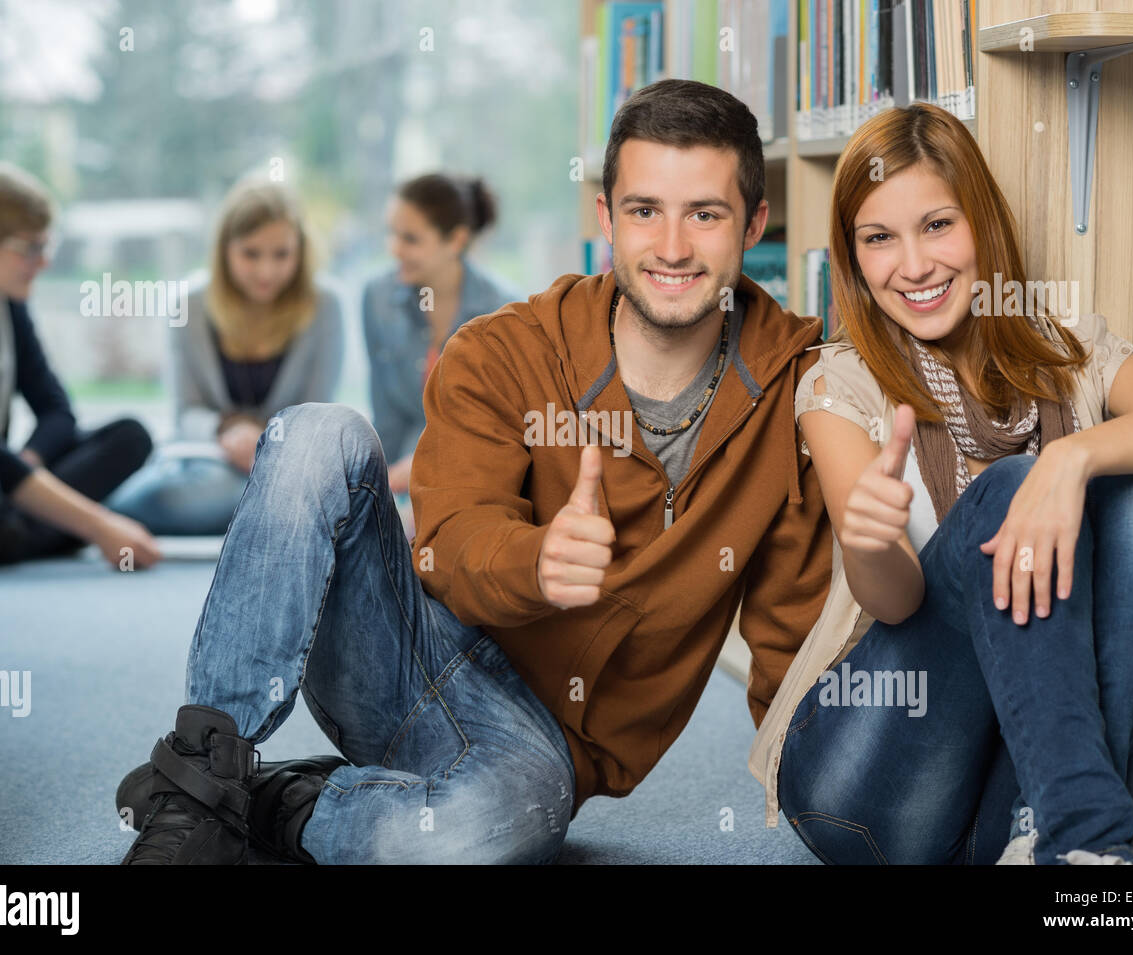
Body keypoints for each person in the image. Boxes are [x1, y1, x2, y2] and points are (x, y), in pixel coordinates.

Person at [114, 78, 835, 864]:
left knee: (477, 832)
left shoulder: (796, 392)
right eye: (643, 210)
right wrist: (539, 560)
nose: (671, 246)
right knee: (315, 431)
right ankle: (198, 777)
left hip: (539, 749)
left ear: (755, 223)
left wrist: (836, 803)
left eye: (705, 213)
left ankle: (276, 803)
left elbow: (792, 635)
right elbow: (449, 544)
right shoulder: (503, 348)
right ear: (606, 219)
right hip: (410, 649)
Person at [748, 103, 1133, 865]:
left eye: (938, 225)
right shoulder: (840, 381)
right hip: (875, 773)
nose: (913, 264)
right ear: (854, 258)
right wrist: (871, 541)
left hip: (1014, 789)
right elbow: (894, 600)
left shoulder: (1072, 352)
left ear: (985, 223)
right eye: (879, 238)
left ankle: (1057, 840)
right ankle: (1092, 844)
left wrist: (1072, 460)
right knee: (1007, 491)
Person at [105, 178, 343, 535]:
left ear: (301, 251)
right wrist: (229, 430)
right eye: (251, 254)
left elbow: (316, 416)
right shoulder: (190, 304)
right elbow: (186, 413)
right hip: (209, 460)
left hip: (289, 466)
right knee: (169, 496)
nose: (266, 271)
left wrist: (264, 443)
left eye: (281, 254)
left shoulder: (324, 305)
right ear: (225, 250)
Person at [0, 162, 160, 569]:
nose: (42, 261)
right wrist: (99, 526)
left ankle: (26, 527)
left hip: (5, 479)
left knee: (131, 436)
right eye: (30, 248)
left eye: (46, 246)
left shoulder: (9, 306)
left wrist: (28, 463)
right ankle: (25, 530)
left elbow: (56, 411)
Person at [362, 173, 519, 536]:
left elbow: (503, 430)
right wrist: (373, 492)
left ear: (456, 240)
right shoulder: (377, 298)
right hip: (398, 477)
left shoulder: (503, 310)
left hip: (473, 474)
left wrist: (431, 467)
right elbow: (386, 419)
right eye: (392, 234)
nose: (394, 249)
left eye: (410, 239)